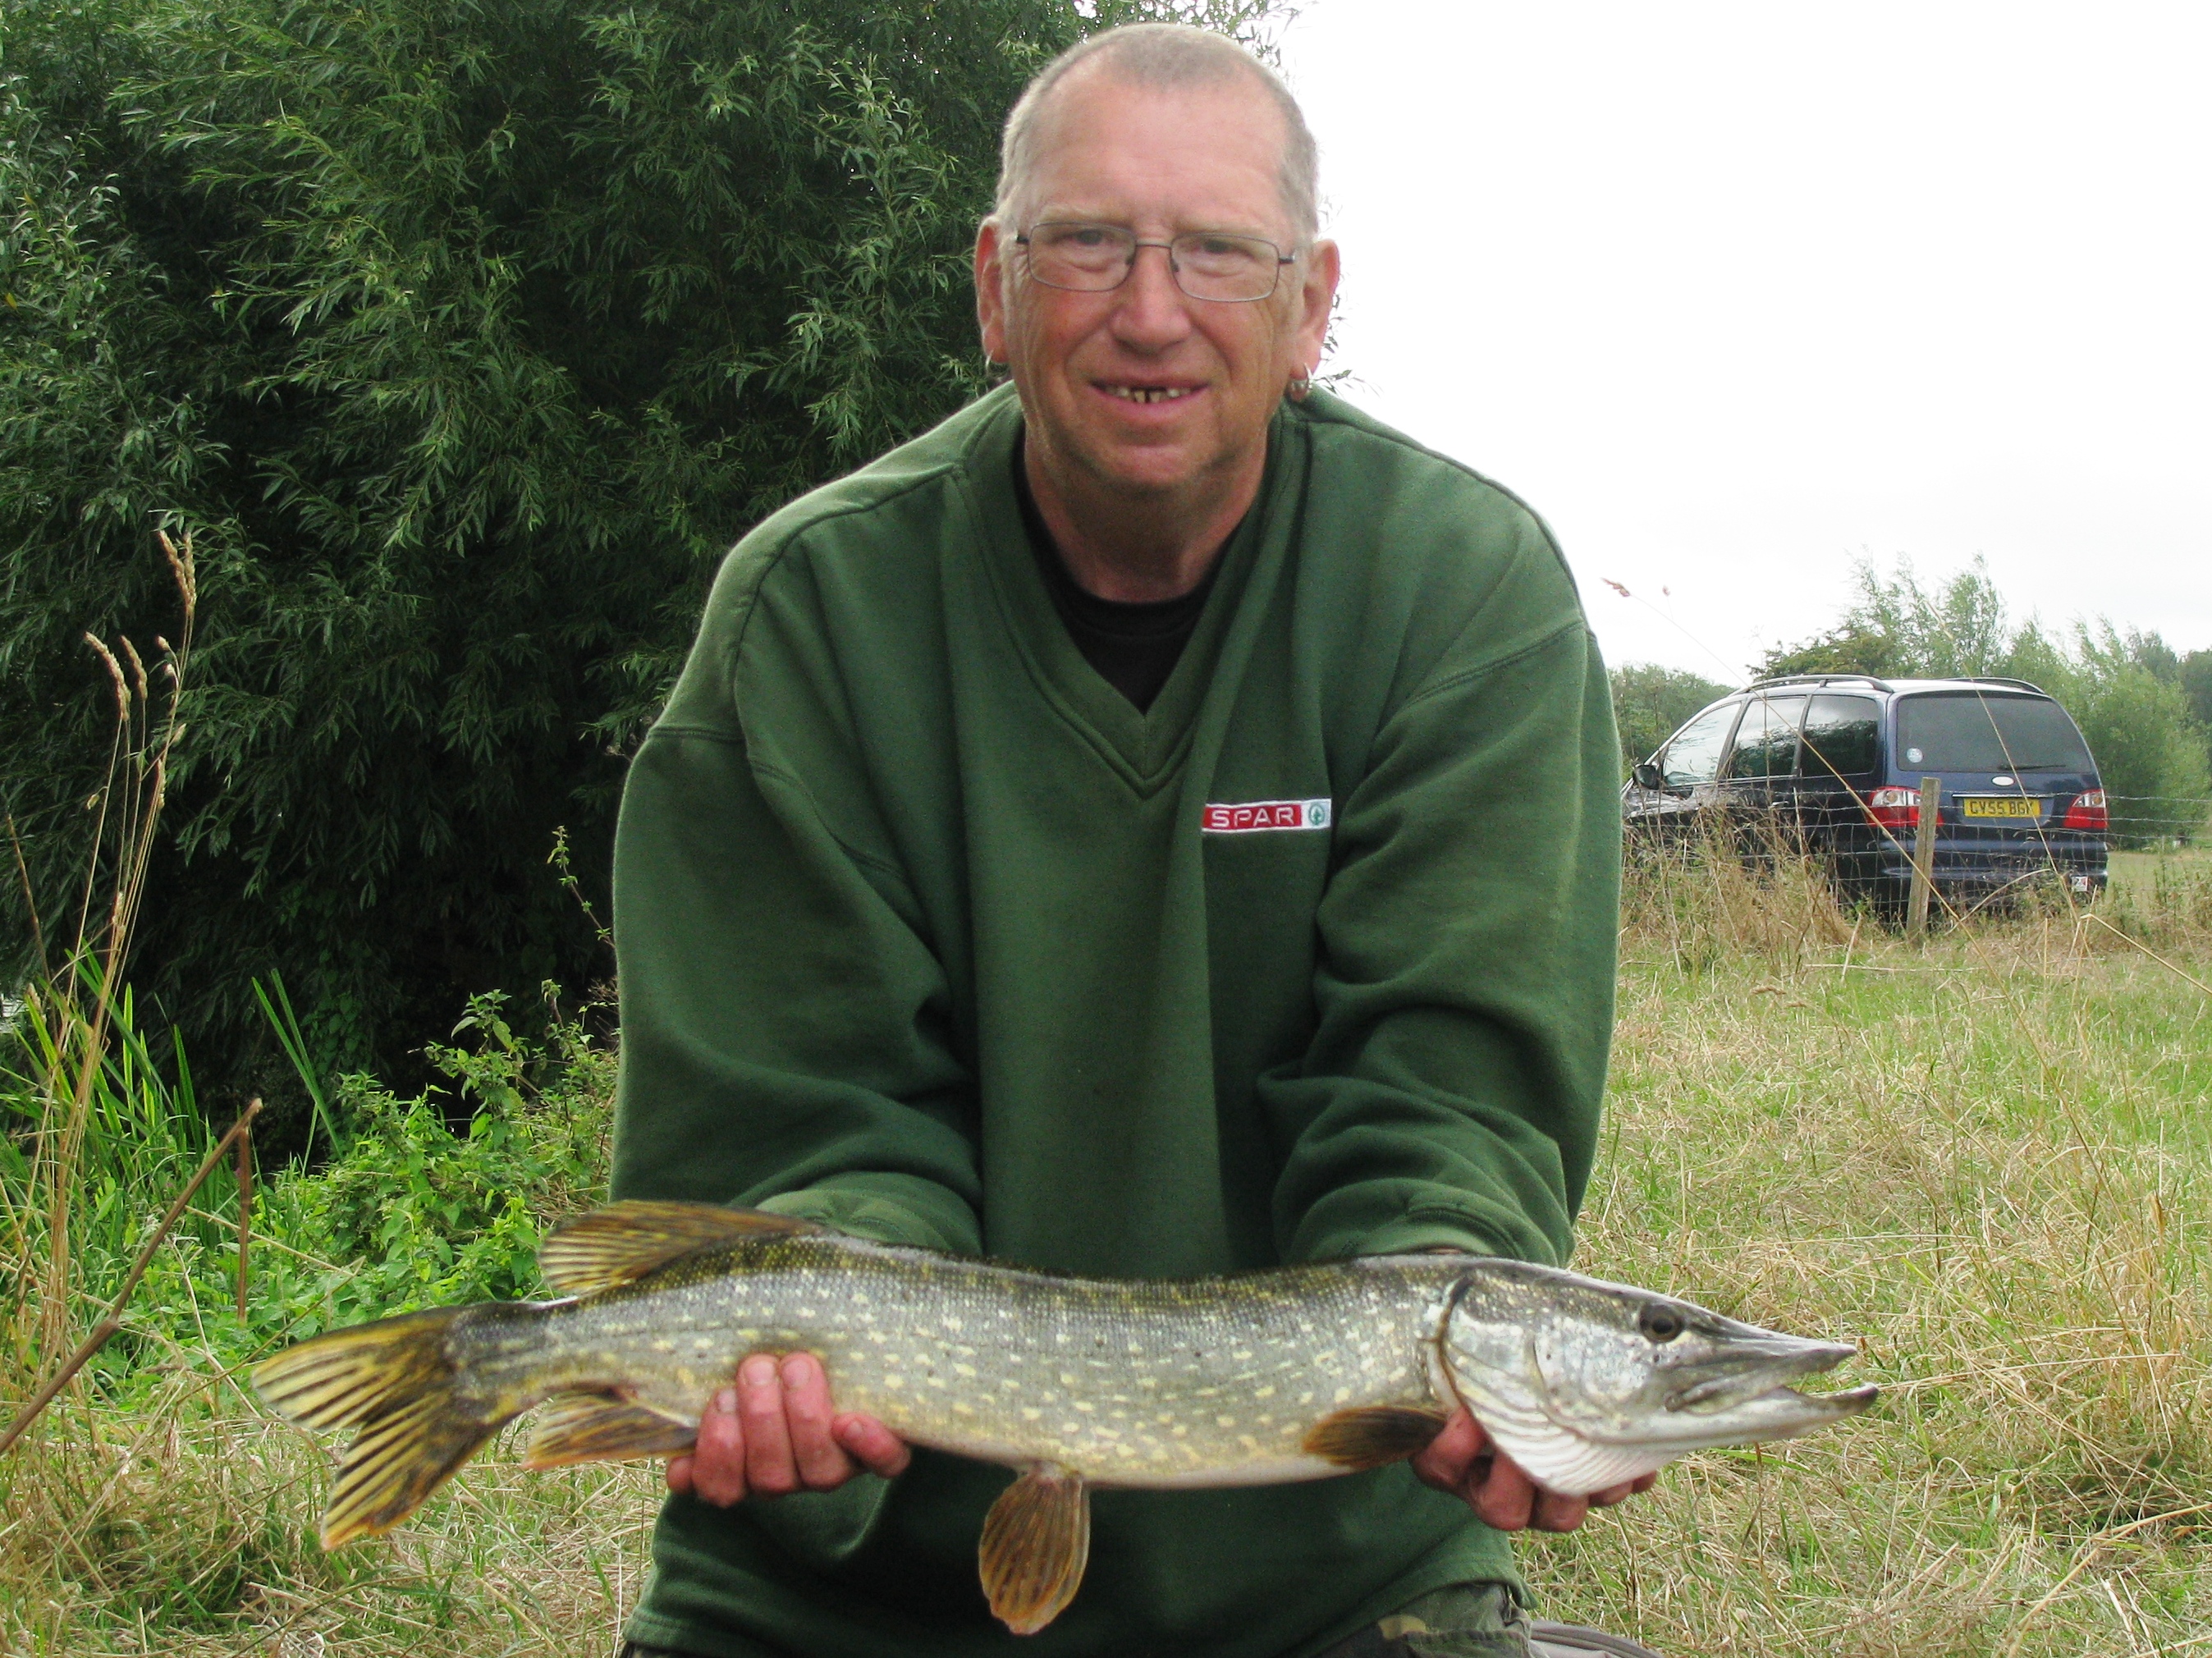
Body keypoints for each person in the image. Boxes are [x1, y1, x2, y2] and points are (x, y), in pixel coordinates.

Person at [609, 23, 1655, 1658]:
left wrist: (1467, 1324)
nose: (1148, 307)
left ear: (1310, 305)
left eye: (1216, 251)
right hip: (837, 1590)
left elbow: (1444, 1105)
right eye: (1085, 240)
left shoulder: (1462, 593)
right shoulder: (809, 614)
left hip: (1328, 1581)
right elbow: (794, 1115)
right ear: (991, 286)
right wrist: (798, 1348)